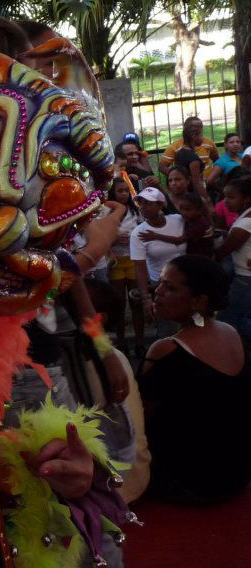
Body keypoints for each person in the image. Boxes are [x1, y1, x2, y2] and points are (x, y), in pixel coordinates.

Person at [139, 255, 251, 502]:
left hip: (189, 481)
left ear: (199, 301)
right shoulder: (231, 333)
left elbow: (141, 418)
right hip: (236, 474)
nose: (157, 292)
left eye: (170, 288)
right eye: (160, 283)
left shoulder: (166, 349)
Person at [130, 188, 186, 338]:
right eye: (141, 203)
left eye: (149, 203)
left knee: (187, 326)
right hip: (161, 286)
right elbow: (140, 267)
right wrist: (146, 299)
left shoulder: (178, 220)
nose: (143, 207)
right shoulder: (138, 233)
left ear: (161, 205)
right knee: (166, 330)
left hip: (186, 282)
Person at [107, 177, 145, 356]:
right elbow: (98, 237)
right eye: (119, 191)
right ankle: (121, 344)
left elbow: (143, 230)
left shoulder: (135, 211)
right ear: (112, 193)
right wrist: (113, 239)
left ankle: (139, 343)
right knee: (119, 304)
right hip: (115, 262)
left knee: (136, 302)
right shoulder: (106, 212)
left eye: (125, 191)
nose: (123, 194)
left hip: (133, 260)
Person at [216, 176, 251, 340]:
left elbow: (223, 251)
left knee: (228, 320)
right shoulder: (245, 217)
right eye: (224, 197)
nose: (226, 201)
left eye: (231, 197)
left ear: (246, 199)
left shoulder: (245, 223)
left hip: (245, 279)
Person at [138, 191, 214, 258]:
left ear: (199, 210)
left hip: (202, 260)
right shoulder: (186, 218)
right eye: (181, 209)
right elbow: (168, 211)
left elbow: (179, 240)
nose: (183, 213)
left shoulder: (200, 224)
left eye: (188, 209)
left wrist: (155, 236)